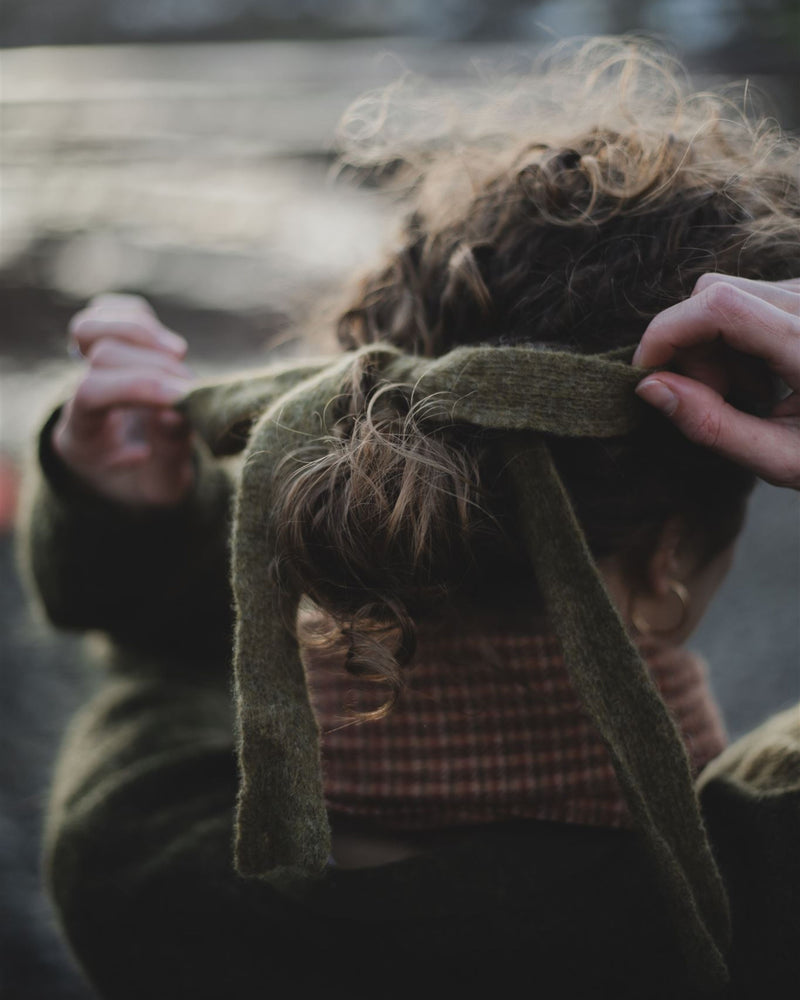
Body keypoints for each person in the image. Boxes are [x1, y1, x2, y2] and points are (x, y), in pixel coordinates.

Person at [21, 40, 800, 1000]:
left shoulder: (141, 855)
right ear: (668, 561)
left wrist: (137, 515)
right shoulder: (753, 897)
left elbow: (153, 660)